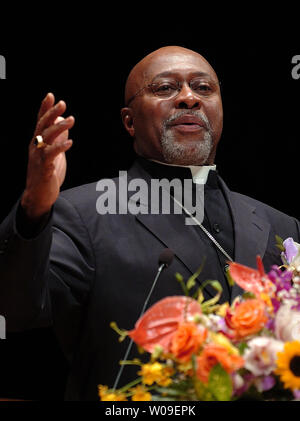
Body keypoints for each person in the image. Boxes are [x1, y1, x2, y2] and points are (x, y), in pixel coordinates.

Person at [0, 46, 299, 401]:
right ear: (129, 121)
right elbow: (16, 310)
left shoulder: (281, 224)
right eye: (165, 88)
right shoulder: (80, 213)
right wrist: (34, 204)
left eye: (203, 88)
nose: (189, 98)